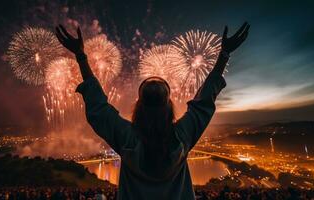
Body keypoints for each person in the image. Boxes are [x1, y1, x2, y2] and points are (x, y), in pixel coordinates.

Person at [55, 22, 249, 200]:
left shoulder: (127, 138)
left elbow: (98, 106)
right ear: (169, 105)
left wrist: (81, 56)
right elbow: (205, 100)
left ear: (139, 105)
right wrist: (223, 55)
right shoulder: (182, 136)